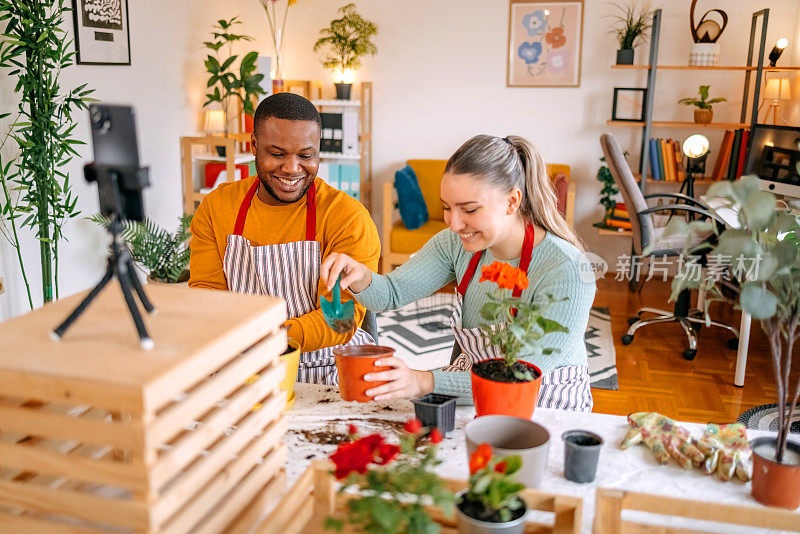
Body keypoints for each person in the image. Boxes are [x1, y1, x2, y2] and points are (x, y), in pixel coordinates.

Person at [321, 134, 595, 411]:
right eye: (447, 207)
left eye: (469, 209)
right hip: (471, 387)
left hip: (546, 398)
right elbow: (390, 294)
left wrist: (421, 381)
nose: (453, 224)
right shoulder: (456, 244)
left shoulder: (567, 268)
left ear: (512, 202)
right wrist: (358, 275)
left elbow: (518, 375)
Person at [189, 92, 380, 384]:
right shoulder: (217, 208)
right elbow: (208, 295)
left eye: (306, 155)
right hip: (246, 363)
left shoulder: (347, 217)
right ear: (254, 146)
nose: (292, 168)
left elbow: (340, 320)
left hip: (329, 365)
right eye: (277, 154)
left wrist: (271, 339)